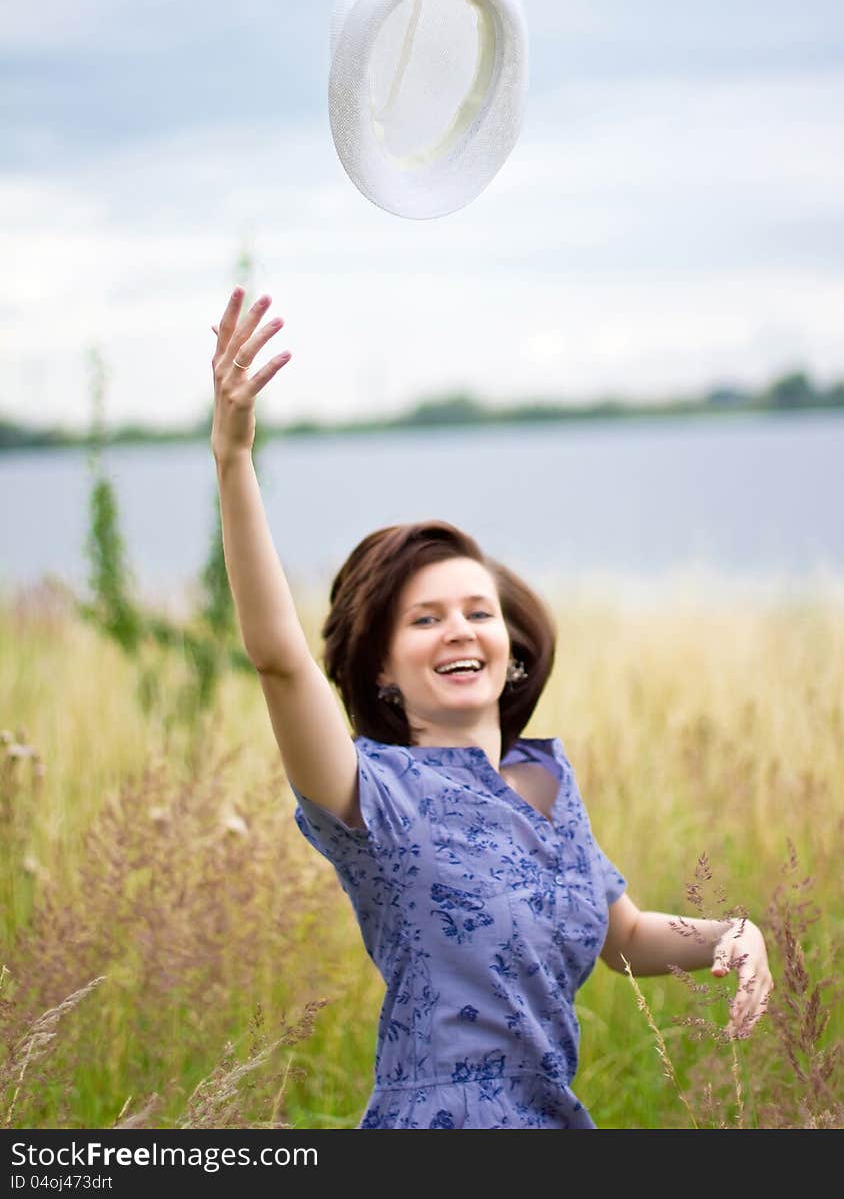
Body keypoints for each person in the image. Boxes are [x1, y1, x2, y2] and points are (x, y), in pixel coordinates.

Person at [210, 286, 774, 1130]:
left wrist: (732, 934)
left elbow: (621, 937)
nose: (460, 631)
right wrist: (232, 458)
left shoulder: (549, 783)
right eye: (425, 619)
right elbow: (279, 660)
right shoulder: (375, 795)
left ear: (509, 646)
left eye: (478, 611)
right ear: (382, 672)